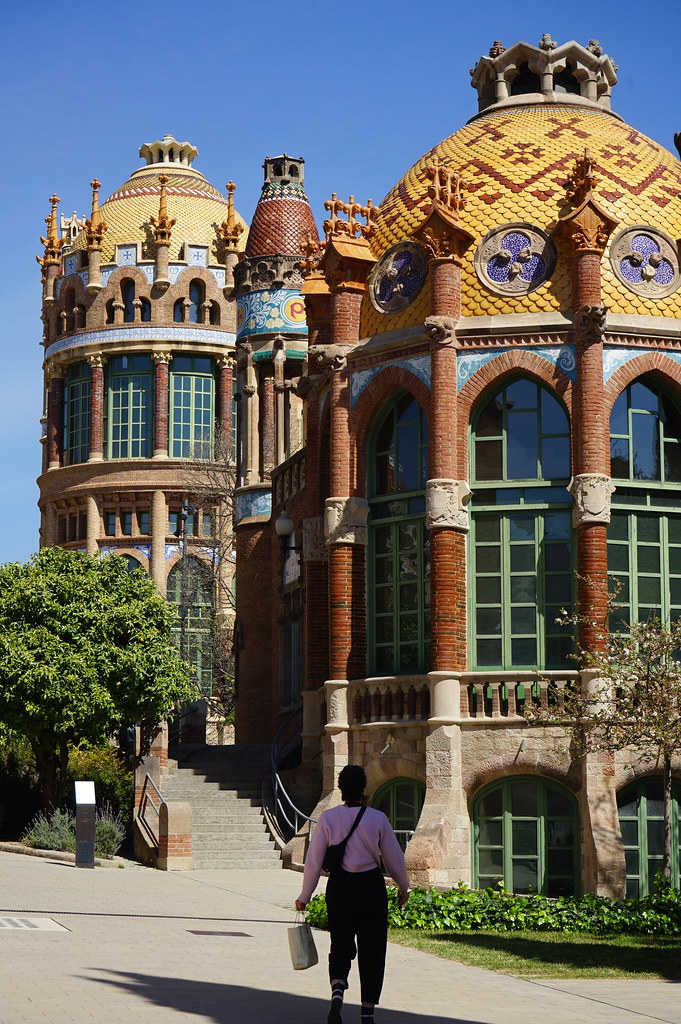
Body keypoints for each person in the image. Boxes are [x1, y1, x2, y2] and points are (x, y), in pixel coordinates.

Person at [295, 765, 410, 1024]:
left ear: (341, 788)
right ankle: (367, 1011)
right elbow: (393, 858)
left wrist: (305, 895)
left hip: (340, 887)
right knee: (373, 949)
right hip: (370, 887)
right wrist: (404, 887)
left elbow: (313, 861)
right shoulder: (377, 818)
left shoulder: (328, 818)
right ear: (363, 788)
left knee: (340, 943)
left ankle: (337, 990)